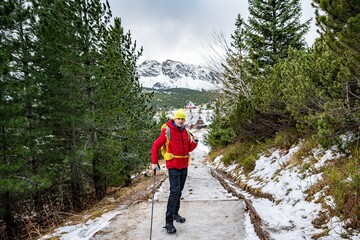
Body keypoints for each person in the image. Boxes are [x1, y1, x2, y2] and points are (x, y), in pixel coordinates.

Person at [151, 109, 198, 234]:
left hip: (184, 166)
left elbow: (189, 148)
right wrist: (154, 162)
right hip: (173, 166)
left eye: (183, 119)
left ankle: (176, 214)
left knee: (179, 191)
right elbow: (155, 145)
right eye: (179, 118)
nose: (181, 120)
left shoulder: (186, 132)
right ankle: (169, 222)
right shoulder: (168, 131)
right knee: (174, 192)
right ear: (175, 119)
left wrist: (195, 142)